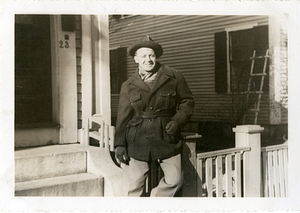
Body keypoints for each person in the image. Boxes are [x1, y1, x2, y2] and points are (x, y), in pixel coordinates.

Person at [114, 35, 194, 197]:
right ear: (136, 59)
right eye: (143, 56)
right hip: (138, 138)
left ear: (156, 57)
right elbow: (123, 116)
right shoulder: (128, 85)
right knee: (134, 184)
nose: (148, 60)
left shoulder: (173, 77)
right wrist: (120, 144)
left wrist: (177, 122)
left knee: (175, 179)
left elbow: (187, 101)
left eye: (151, 55)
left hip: (166, 135)